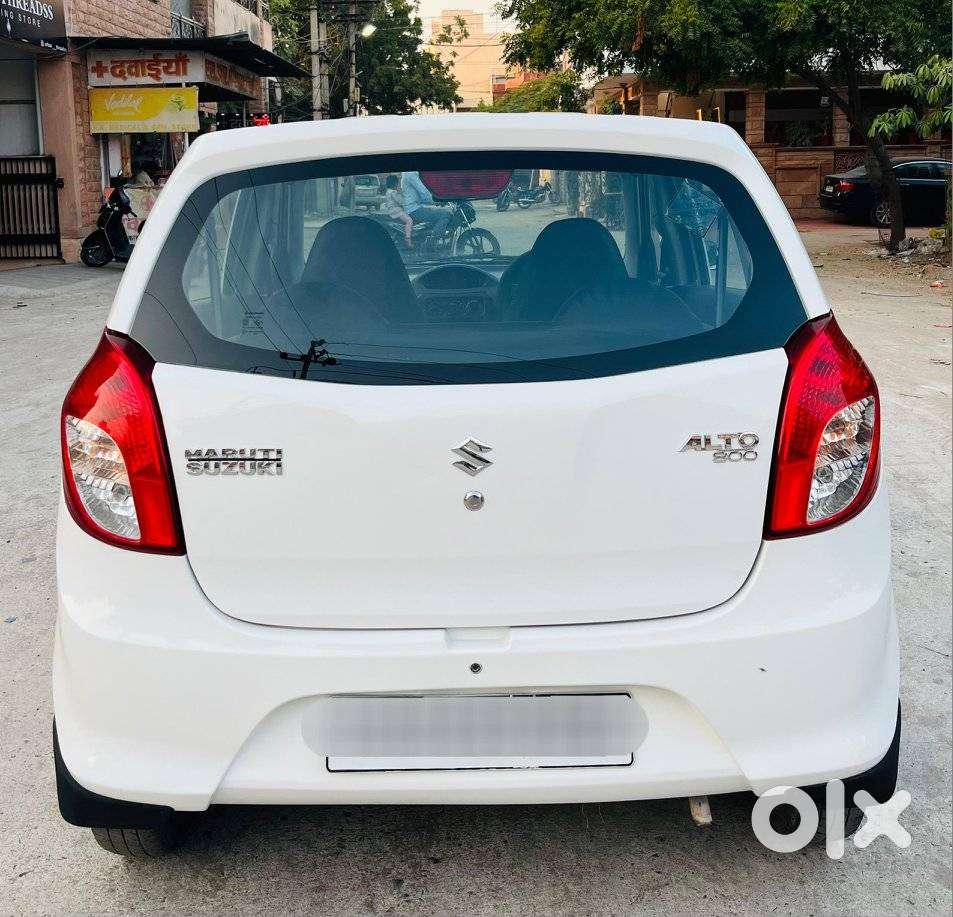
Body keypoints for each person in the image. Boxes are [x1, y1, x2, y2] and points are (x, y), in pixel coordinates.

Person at [402, 171, 451, 242]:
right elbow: (424, 192)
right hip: (413, 209)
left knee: (442, 210)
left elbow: (425, 195)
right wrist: (438, 200)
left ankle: (431, 236)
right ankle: (433, 242)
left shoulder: (413, 174)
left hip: (417, 206)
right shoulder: (410, 173)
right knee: (445, 214)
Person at [382, 175, 414, 248]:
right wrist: (401, 194)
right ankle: (408, 239)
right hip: (397, 211)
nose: (398, 184)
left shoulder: (388, 191)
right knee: (409, 221)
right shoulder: (393, 192)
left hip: (392, 211)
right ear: (394, 183)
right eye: (397, 183)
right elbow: (401, 202)